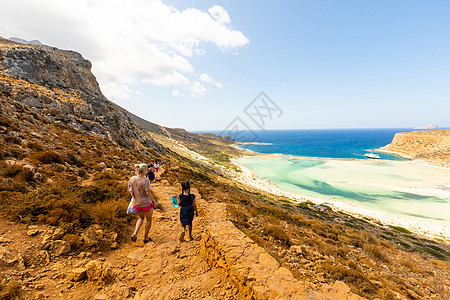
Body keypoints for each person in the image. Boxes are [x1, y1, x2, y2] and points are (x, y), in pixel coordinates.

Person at [128, 163, 158, 243]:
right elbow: (148, 193)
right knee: (149, 219)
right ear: (144, 171)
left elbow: (131, 192)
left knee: (141, 218)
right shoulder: (145, 180)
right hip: (146, 204)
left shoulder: (132, 179)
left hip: (136, 204)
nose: (148, 171)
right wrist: (154, 201)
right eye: (147, 170)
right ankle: (145, 237)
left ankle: (135, 233)